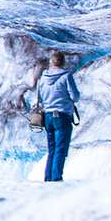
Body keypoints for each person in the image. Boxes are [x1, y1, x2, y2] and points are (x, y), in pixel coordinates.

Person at [32, 51, 80, 182]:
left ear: (51, 63)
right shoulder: (66, 76)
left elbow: (39, 98)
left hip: (47, 117)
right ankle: (56, 179)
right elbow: (75, 97)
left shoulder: (43, 78)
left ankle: (48, 178)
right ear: (63, 62)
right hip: (62, 116)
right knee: (60, 149)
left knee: (52, 149)